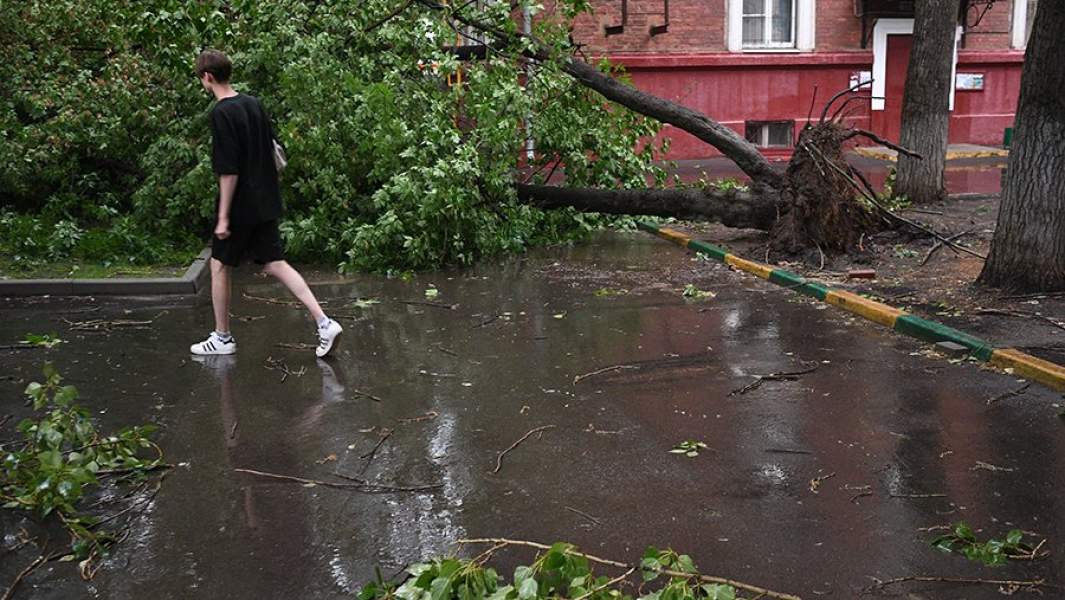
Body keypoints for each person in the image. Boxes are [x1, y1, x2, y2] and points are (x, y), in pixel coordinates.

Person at [189, 49, 342, 358]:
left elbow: (228, 169)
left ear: (207, 77)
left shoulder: (221, 113)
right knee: (276, 263)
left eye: (201, 79)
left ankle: (222, 337)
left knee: (219, 265)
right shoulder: (254, 104)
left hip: (239, 206)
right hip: (266, 200)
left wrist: (222, 216)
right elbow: (274, 152)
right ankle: (324, 322)